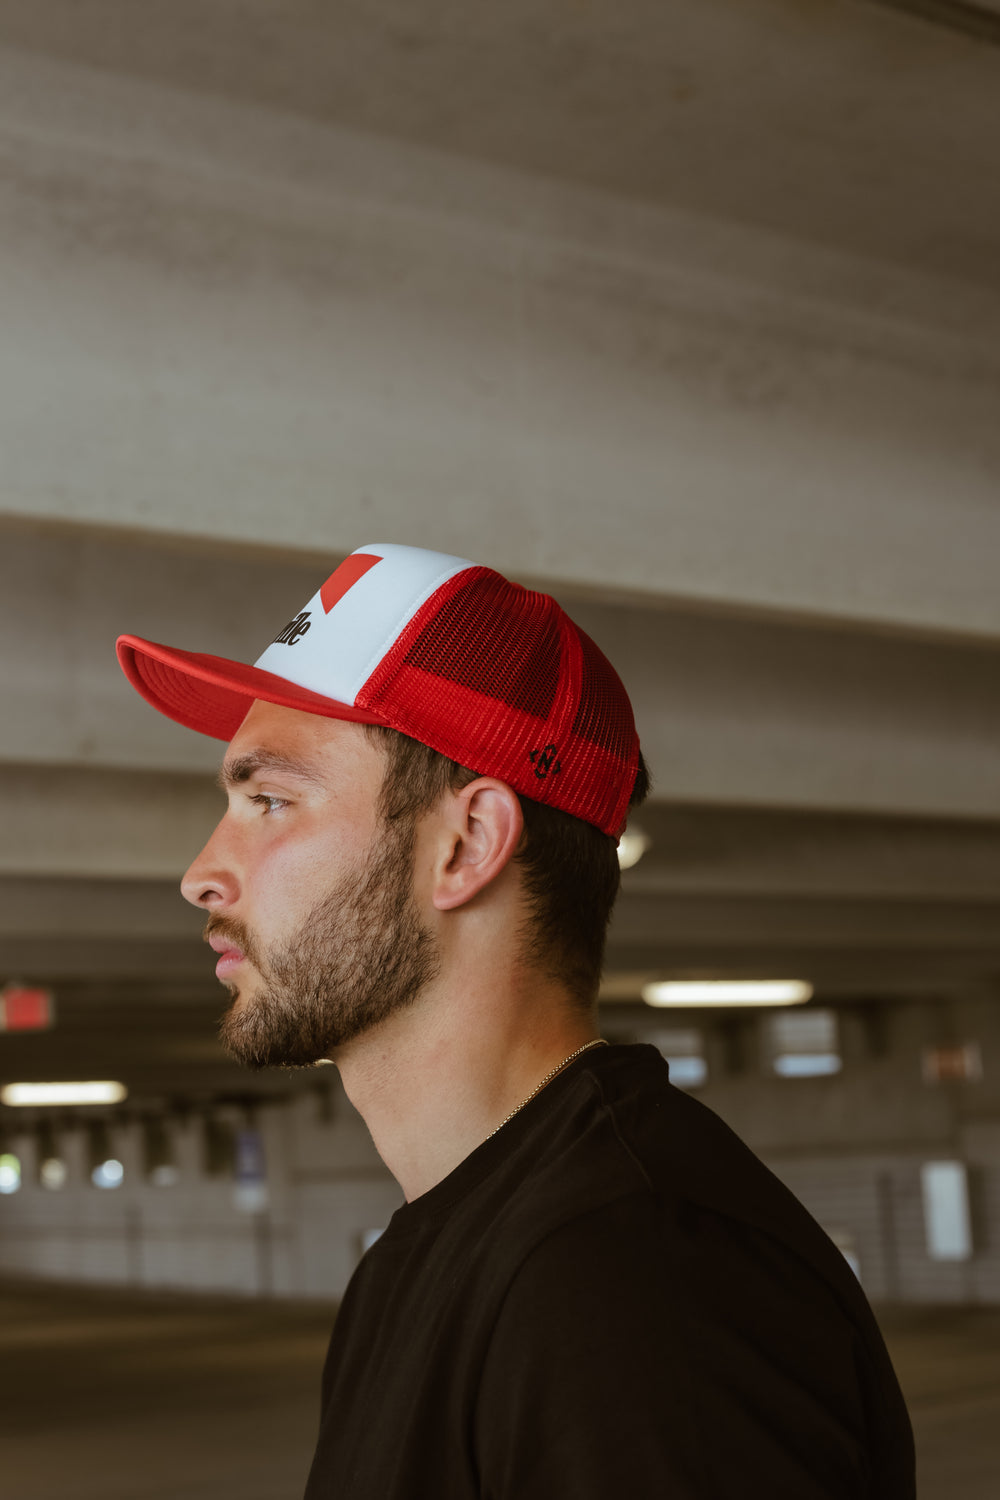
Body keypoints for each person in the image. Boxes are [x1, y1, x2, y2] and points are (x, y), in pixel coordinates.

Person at [116, 542, 915, 1498]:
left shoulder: (632, 1284)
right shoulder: (434, 1257)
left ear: (468, 844)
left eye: (272, 800)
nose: (201, 872)